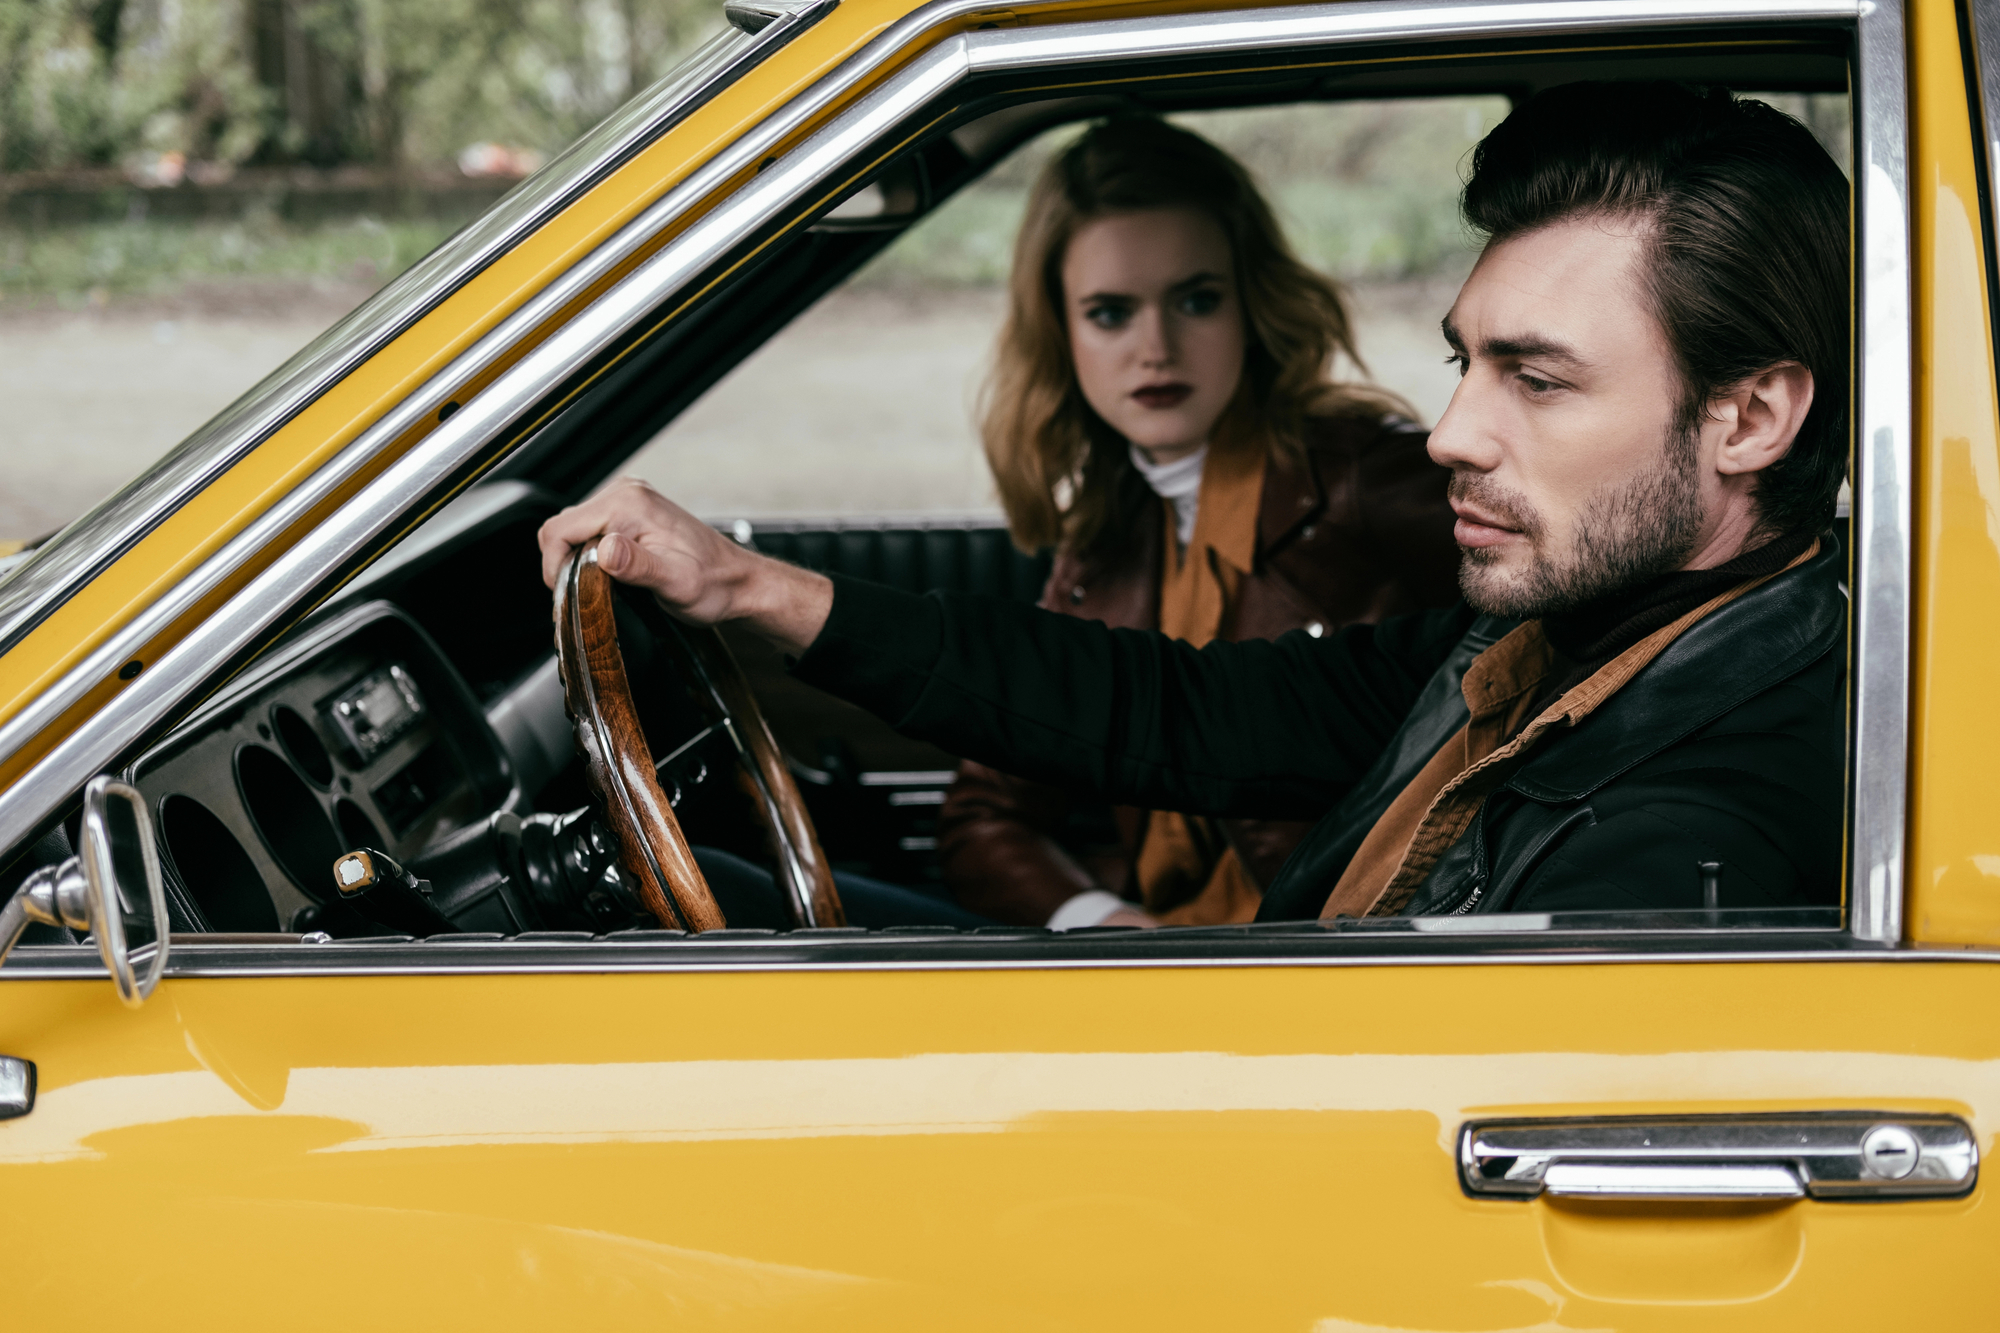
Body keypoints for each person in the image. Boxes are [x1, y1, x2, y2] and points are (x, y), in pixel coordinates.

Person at [539, 81, 1850, 921]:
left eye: (1539, 381)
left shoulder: (1696, 820)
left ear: (1751, 417)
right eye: (1466, 362)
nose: (1449, 433)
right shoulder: (1551, 641)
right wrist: (752, 586)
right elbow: (1183, 708)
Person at [942, 118, 1458, 931]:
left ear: (1252, 304)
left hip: (1336, 967)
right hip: (1169, 959)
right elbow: (984, 809)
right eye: (1111, 312)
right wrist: (1100, 917)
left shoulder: (1370, 481)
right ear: (1061, 332)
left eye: (1196, 299)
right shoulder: (1105, 536)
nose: (1157, 347)